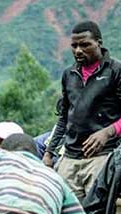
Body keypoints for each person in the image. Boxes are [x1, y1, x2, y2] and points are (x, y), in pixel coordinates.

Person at [45, 21, 121, 201]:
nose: (78, 50)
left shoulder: (116, 71)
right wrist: (49, 153)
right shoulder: (68, 75)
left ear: (99, 43)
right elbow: (64, 118)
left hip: (103, 157)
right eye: (74, 45)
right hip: (70, 158)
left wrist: (107, 132)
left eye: (85, 45)